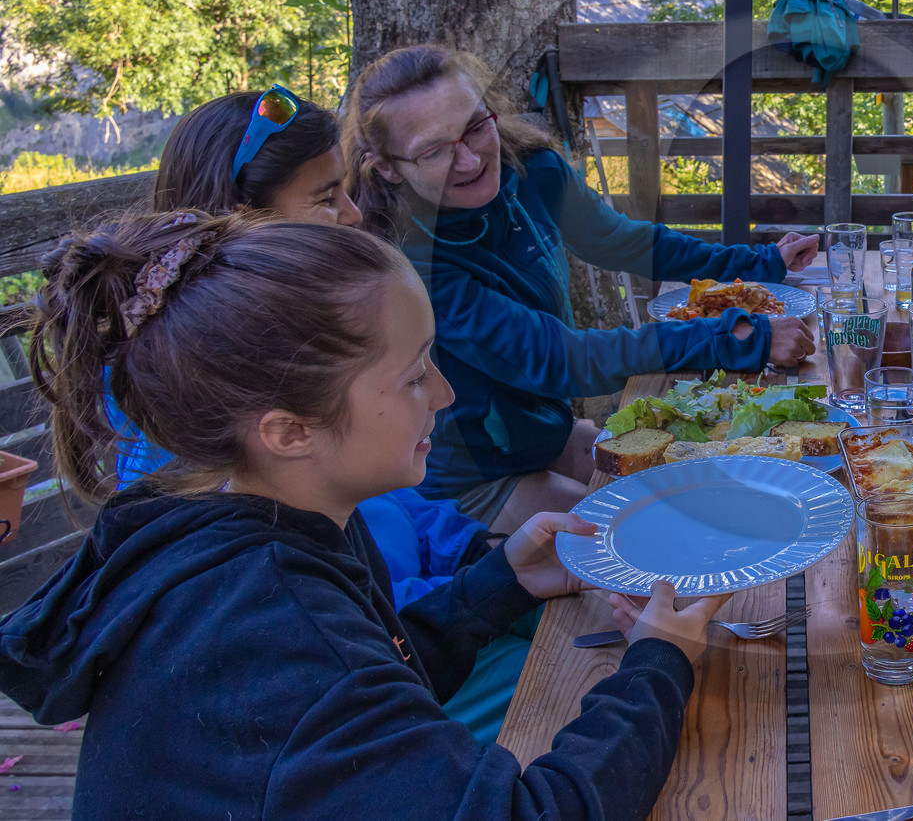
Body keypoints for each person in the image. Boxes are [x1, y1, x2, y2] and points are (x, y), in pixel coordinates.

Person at [0, 210, 728, 816]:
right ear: (289, 430)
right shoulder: (267, 618)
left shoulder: (247, 526)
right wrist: (657, 663)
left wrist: (498, 582)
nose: (443, 394)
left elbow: (368, 674)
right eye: (413, 375)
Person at [111, 86, 530, 743]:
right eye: (326, 196)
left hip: (406, 621)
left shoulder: (304, 372)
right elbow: (327, 614)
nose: (354, 214)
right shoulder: (204, 421)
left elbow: (383, 516)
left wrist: (485, 557)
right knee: (567, 672)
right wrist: (490, 584)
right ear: (239, 224)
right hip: (348, 678)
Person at [343, 46, 819, 530]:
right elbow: (554, 358)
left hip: (541, 431)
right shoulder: (404, 259)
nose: (467, 160)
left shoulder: (532, 171)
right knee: (656, 531)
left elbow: (623, 242)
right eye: (434, 150)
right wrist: (738, 338)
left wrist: (758, 263)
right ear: (386, 166)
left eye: (474, 127)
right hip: (471, 476)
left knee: (700, 489)